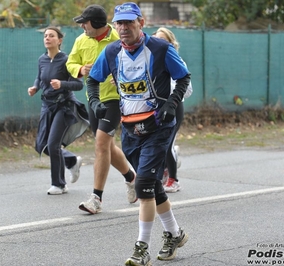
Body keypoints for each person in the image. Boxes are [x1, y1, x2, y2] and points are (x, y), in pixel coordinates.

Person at [86, 2, 190, 265]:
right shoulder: (111, 52)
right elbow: (92, 80)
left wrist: (171, 103)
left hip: (158, 127)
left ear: (141, 23)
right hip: (130, 129)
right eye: (119, 23)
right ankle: (175, 234)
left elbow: (184, 77)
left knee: (143, 185)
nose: (123, 28)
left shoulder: (161, 49)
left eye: (129, 23)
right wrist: (95, 102)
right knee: (152, 186)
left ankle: (141, 248)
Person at [67, 4, 137, 214]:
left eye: (84, 23)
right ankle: (131, 178)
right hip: (93, 99)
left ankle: (96, 198)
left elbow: (134, 63)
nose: (82, 27)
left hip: (116, 99)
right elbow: (70, 63)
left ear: (96, 24)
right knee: (106, 145)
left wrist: (123, 79)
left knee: (100, 143)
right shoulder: (81, 40)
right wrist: (80, 69)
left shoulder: (118, 38)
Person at [28, 26, 89, 195]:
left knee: (54, 144)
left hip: (64, 106)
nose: (47, 38)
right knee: (43, 145)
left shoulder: (67, 61)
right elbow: (40, 78)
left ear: (59, 40)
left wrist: (62, 84)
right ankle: (71, 161)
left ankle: (59, 184)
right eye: (45, 36)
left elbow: (78, 84)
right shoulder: (42, 59)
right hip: (47, 105)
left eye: (51, 36)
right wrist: (35, 87)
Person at [154, 27, 193, 193]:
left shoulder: (177, 61)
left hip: (174, 108)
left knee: (167, 144)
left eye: (163, 40)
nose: (159, 42)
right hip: (156, 108)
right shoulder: (151, 62)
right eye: (157, 39)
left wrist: (172, 97)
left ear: (171, 43)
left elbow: (188, 89)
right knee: (157, 143)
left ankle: (173, 180)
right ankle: (164, 168)